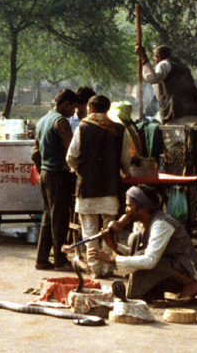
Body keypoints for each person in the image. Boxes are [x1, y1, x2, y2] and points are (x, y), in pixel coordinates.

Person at [89, 185, 197, 301]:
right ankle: (151, 291)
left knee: (144, 258)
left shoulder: (161, 224)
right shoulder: (141, 223)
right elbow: (135, 255)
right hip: (166, 265)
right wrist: (114, 245)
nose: (126, 210)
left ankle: (190, 283)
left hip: (185, 269)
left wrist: (112, 259)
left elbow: (150, 260)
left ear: (142, 209)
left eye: (129, 206)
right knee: (135, 240)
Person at [67, 95, 131, 278]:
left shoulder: (83, 128)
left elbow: (71, 156)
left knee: (89, 232)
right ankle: (108, 267)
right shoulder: (119, 129)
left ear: (92, 108)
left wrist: (80, 170)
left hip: (87, 188)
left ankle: (95, 269)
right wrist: (126, 173)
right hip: (110, 188)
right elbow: (125, 160)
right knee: (109, 231)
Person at [32, 89, 78, 270]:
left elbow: (35, 153)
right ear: (65, 104)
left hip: (45, 173)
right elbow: (73, 150)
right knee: (60, 219)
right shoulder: (61, 122)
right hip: (58, 174)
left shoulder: (42, 121)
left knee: (48, 217)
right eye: (73, 107)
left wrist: (42, 169)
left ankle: (42, 259)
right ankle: (60, 260)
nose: (74, 112)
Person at [135, 45, 197, 125]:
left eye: (154, 60)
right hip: (195, 112)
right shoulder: (184, 66)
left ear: (158, 57)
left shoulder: (164, 64)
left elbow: (152, 78)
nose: (155, 63)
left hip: (178, 116)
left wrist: (144, 58)